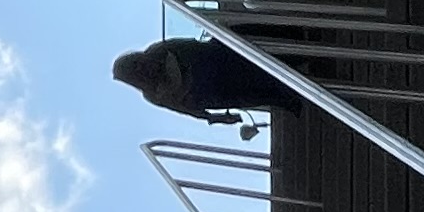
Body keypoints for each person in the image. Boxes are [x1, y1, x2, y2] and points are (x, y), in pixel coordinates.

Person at [110, 38, 303, 121]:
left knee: (256, 70)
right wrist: (215, 118)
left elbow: (195, 46)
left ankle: (299, 53)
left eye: (136, 64)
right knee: (257, 90)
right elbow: (185, 109)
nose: (141, 69)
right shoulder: (154, 94)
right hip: (214, 90)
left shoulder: (158, 51)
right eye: (135, 71)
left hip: (217, 65)